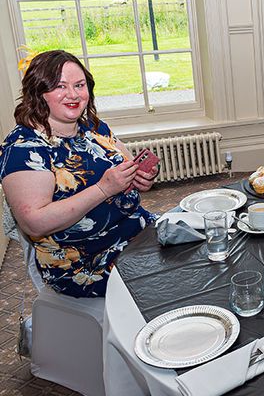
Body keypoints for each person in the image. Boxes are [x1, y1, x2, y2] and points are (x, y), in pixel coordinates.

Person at [0, 50, 158, 298]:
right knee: (175, 279)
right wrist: (104, 189)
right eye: (60, 86)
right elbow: (34, 222)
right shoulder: (24, 148)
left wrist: (139, 178)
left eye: (79, 85)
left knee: (203, 247)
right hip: (86, 261)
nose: (73, 94)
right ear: (38, 92)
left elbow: (125, 168)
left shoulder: (93, 126)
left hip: (138, 231)